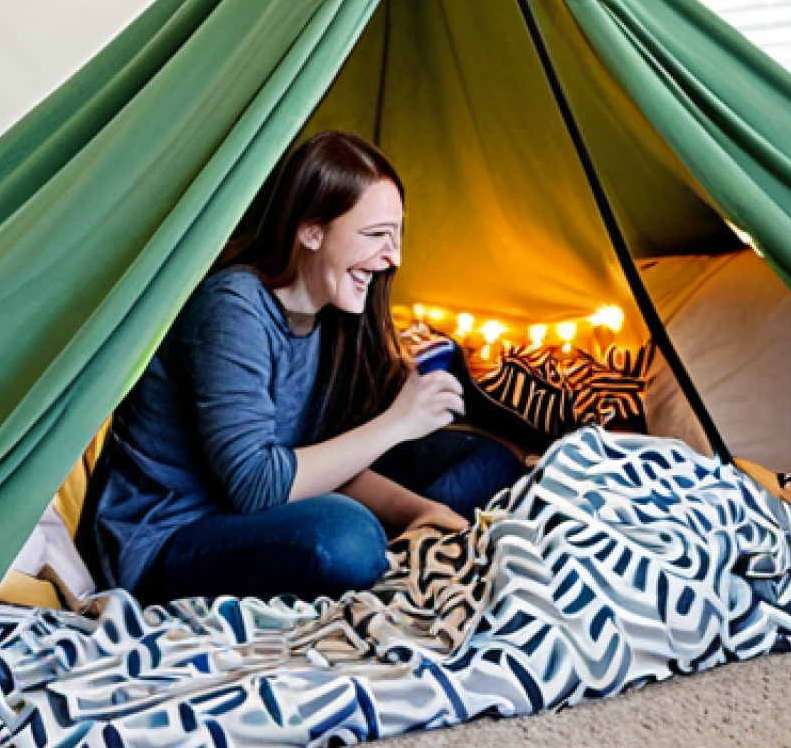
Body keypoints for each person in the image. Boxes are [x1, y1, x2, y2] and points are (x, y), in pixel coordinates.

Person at [85, 130, 526, 606]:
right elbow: (257, 485)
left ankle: (397, 542)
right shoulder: (233, 306)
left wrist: (423, 512)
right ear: (311, 231)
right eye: (376, 236)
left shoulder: (332, 316)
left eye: (396, 238)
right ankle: (373, 548)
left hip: (278, 505)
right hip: (172, 538)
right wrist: (397, 423)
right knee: (347, 535)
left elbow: (320, 462)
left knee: (488, 464)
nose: (393, 258)